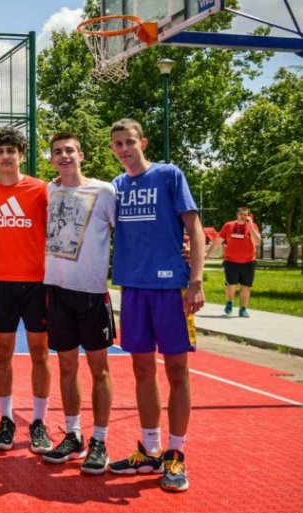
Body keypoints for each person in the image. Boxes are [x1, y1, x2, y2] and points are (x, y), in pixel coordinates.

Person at [106, 118, 205, 493]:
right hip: (133, 288)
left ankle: (175, 454)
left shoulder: (169, 175)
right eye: (118, 144)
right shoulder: (115, 187)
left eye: (129, 142)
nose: (124, 149)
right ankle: (150, 451)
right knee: (142, 369)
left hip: (171, 288)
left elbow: (194, 228)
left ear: (142, 142)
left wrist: (196, 280)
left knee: (177, 370)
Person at [39, 132, 116, 474]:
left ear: (81, 155)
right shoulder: (49, 190)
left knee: (99, 369)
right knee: (67, 367)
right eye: (58, 151)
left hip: (92, 294)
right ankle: (74, 436)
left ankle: (100, 440)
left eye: (70, 150)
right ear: (52, 159)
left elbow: (126, 232)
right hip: (57, 291)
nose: (64, 155)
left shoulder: (104, 191)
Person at [0, 127, 53, 455]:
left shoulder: (41, 190)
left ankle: (38, 421)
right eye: (0, 152)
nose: (6, 156)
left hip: (37, 283)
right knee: (2, 352)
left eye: (11, 151)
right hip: (1, 282)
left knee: (40, 352)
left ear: (21, 155)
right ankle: (6, 418)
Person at [205, 207, 260, 318]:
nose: (243, 217)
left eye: (245, 214)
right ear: (237, 214)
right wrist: (208, 254)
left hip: (248, 261)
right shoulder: (229, 226)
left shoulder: (252, 226)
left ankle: (243, 309)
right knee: (231, 285)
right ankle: (229, 303)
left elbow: (257, 241)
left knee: (246, 286)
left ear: (248, 216)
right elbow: (218, 241)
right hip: (231, 261)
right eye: (241, 214)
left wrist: (250, 226)